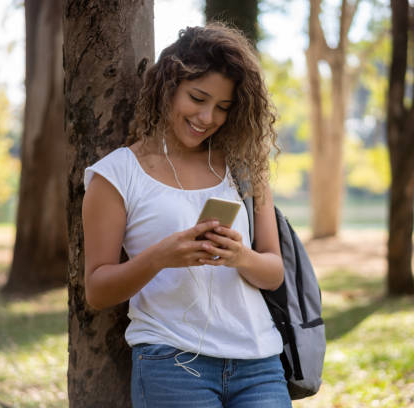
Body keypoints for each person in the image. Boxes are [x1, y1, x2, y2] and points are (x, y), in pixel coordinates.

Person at [82, 23, 292, 408]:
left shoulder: (244, 165)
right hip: (173, 365)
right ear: (168, 86)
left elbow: (274, 271)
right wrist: (162, 256)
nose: (208, 117)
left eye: (223, 108)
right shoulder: (116, 175)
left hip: (259, 363)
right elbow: (96, 290)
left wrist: (240, 256)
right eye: (198, 98)